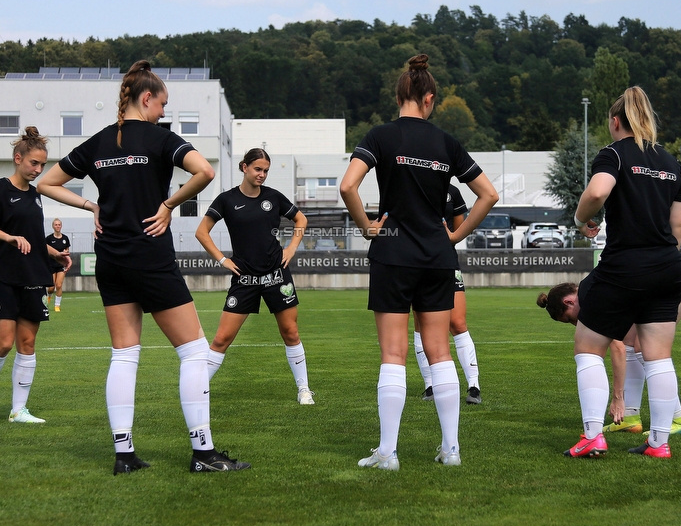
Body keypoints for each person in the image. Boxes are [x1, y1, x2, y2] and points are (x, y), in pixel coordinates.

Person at [37, 60, 250, 475]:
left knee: (124, 354)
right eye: (161, 105)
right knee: (193, 352)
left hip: (110, 261)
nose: (163, 114)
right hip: (150, 257)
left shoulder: (98, 143)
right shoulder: (159, 138)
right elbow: (205, 171)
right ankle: (203, 453)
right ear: (146, 98)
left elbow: (46, 182)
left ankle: (124, 455)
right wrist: (169, 206)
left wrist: (89, 204)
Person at [339, 54, 498, 470]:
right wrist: (457, 235)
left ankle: (388, 453)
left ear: (400, 96)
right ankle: (451, 450)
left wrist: (366, 227)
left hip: (393, 254)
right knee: (440, 351)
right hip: (437, 256)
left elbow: (347, 185)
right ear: (429, 99)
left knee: (394, 354)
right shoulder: (447, 143)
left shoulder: (380, 135)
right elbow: (489, 195)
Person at [564, 86, 681, 460]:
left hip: (623, 266)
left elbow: (598, 193)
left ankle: (592, 436)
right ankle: (659, 443)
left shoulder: (613, 154)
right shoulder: (670, 162)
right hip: (667, 266)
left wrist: (580, 218)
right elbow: (677, 226)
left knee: (588, 347)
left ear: (615, 122)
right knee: (658, 356)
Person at [538, 253, 681, 436]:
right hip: (665, 274)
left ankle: (678, 419)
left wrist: (617, 398)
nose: (577, 324)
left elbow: (617, 349)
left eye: (571, 319)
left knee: (647, 347)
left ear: (569, 302)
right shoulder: (590, 290)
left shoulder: (590, 298)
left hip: (679, 274)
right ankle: (630, 419)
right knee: (632, 342)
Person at [195, 148, 314, 404]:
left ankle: (304, 389)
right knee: (221, 339)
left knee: (290, 333)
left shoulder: (274, 197)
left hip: (276, 276)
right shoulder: (226, 200)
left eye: (266, 171)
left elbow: (301, 219)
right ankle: (195, 389)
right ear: (244, 167)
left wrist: (291, 247)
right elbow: (202, 232)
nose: (262, 175)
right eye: (258, 169)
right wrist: (223, 260)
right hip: (244, 279)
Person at [0, 127, 70, 426]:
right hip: (0, 275)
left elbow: (32, 237)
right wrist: (8, 237)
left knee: (27, 343)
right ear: (18, 158)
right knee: (3, 343)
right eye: (34, 163)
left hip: (32, 275)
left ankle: (18, 410)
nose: (38, 170)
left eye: (42, 164)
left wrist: (54, 254)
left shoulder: (36, 196)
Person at [414, 183, 481, 405]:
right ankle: (430, 385)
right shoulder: (410, 185)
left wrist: (449, 236)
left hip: (446, 261)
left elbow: (459, 230)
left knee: (458, 322)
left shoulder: (452, 192)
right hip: (415, 263)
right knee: (420, 323)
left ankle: (474, 386)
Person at [45, 218, 71, 312]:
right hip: (51, 264)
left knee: (59, 285)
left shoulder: (65, 238)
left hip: (61, 265)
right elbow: (45, 250)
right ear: (53, 226)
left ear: (61, 226)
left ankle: (57, 305)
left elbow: (67, 250)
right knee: (51, 287)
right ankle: (49, 297)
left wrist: (66, 252)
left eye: (59, 224)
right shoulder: (48, 238)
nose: (57, 226)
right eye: (56, 224)